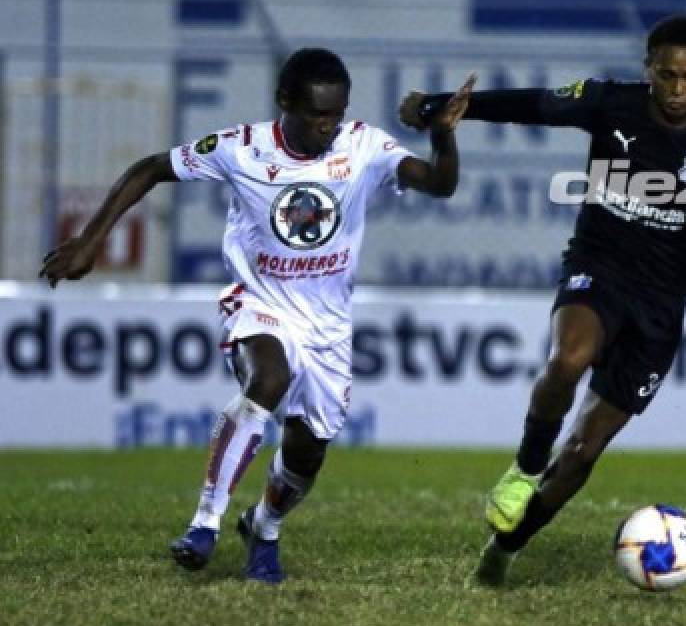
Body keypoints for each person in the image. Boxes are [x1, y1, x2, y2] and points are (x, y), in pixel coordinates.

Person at [40, 48, 476, 584]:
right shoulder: (240, 149)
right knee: (268, 377)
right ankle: (205, 524)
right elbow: (149, 168)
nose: (328, 127)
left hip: (328, 327)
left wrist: (444, 134)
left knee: (306, 455)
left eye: (336, 114)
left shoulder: (361, 146)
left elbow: (439, 183)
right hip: (259, 302)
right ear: (284, 102)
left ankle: (263, 527)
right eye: (318, 115)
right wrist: (90, 240)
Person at [400, 15, 686, 586]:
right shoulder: (611, 103)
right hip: (598, 267)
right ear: (648, 70)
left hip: (660, 303)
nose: (678, 90)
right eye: (667, 75)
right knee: (568, 359)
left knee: (584, 448)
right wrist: (443, 104)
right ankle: (525, 467)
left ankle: (506, 546)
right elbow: (537, 104)